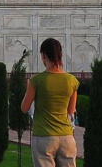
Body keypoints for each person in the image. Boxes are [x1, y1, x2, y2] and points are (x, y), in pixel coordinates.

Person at [20, 38, 78, 167]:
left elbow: (24, 108)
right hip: (66, 137)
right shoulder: (72, 81)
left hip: (43, 137)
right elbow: (71, 110)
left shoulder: (36, 80)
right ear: (60, 55)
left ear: (43, 56)